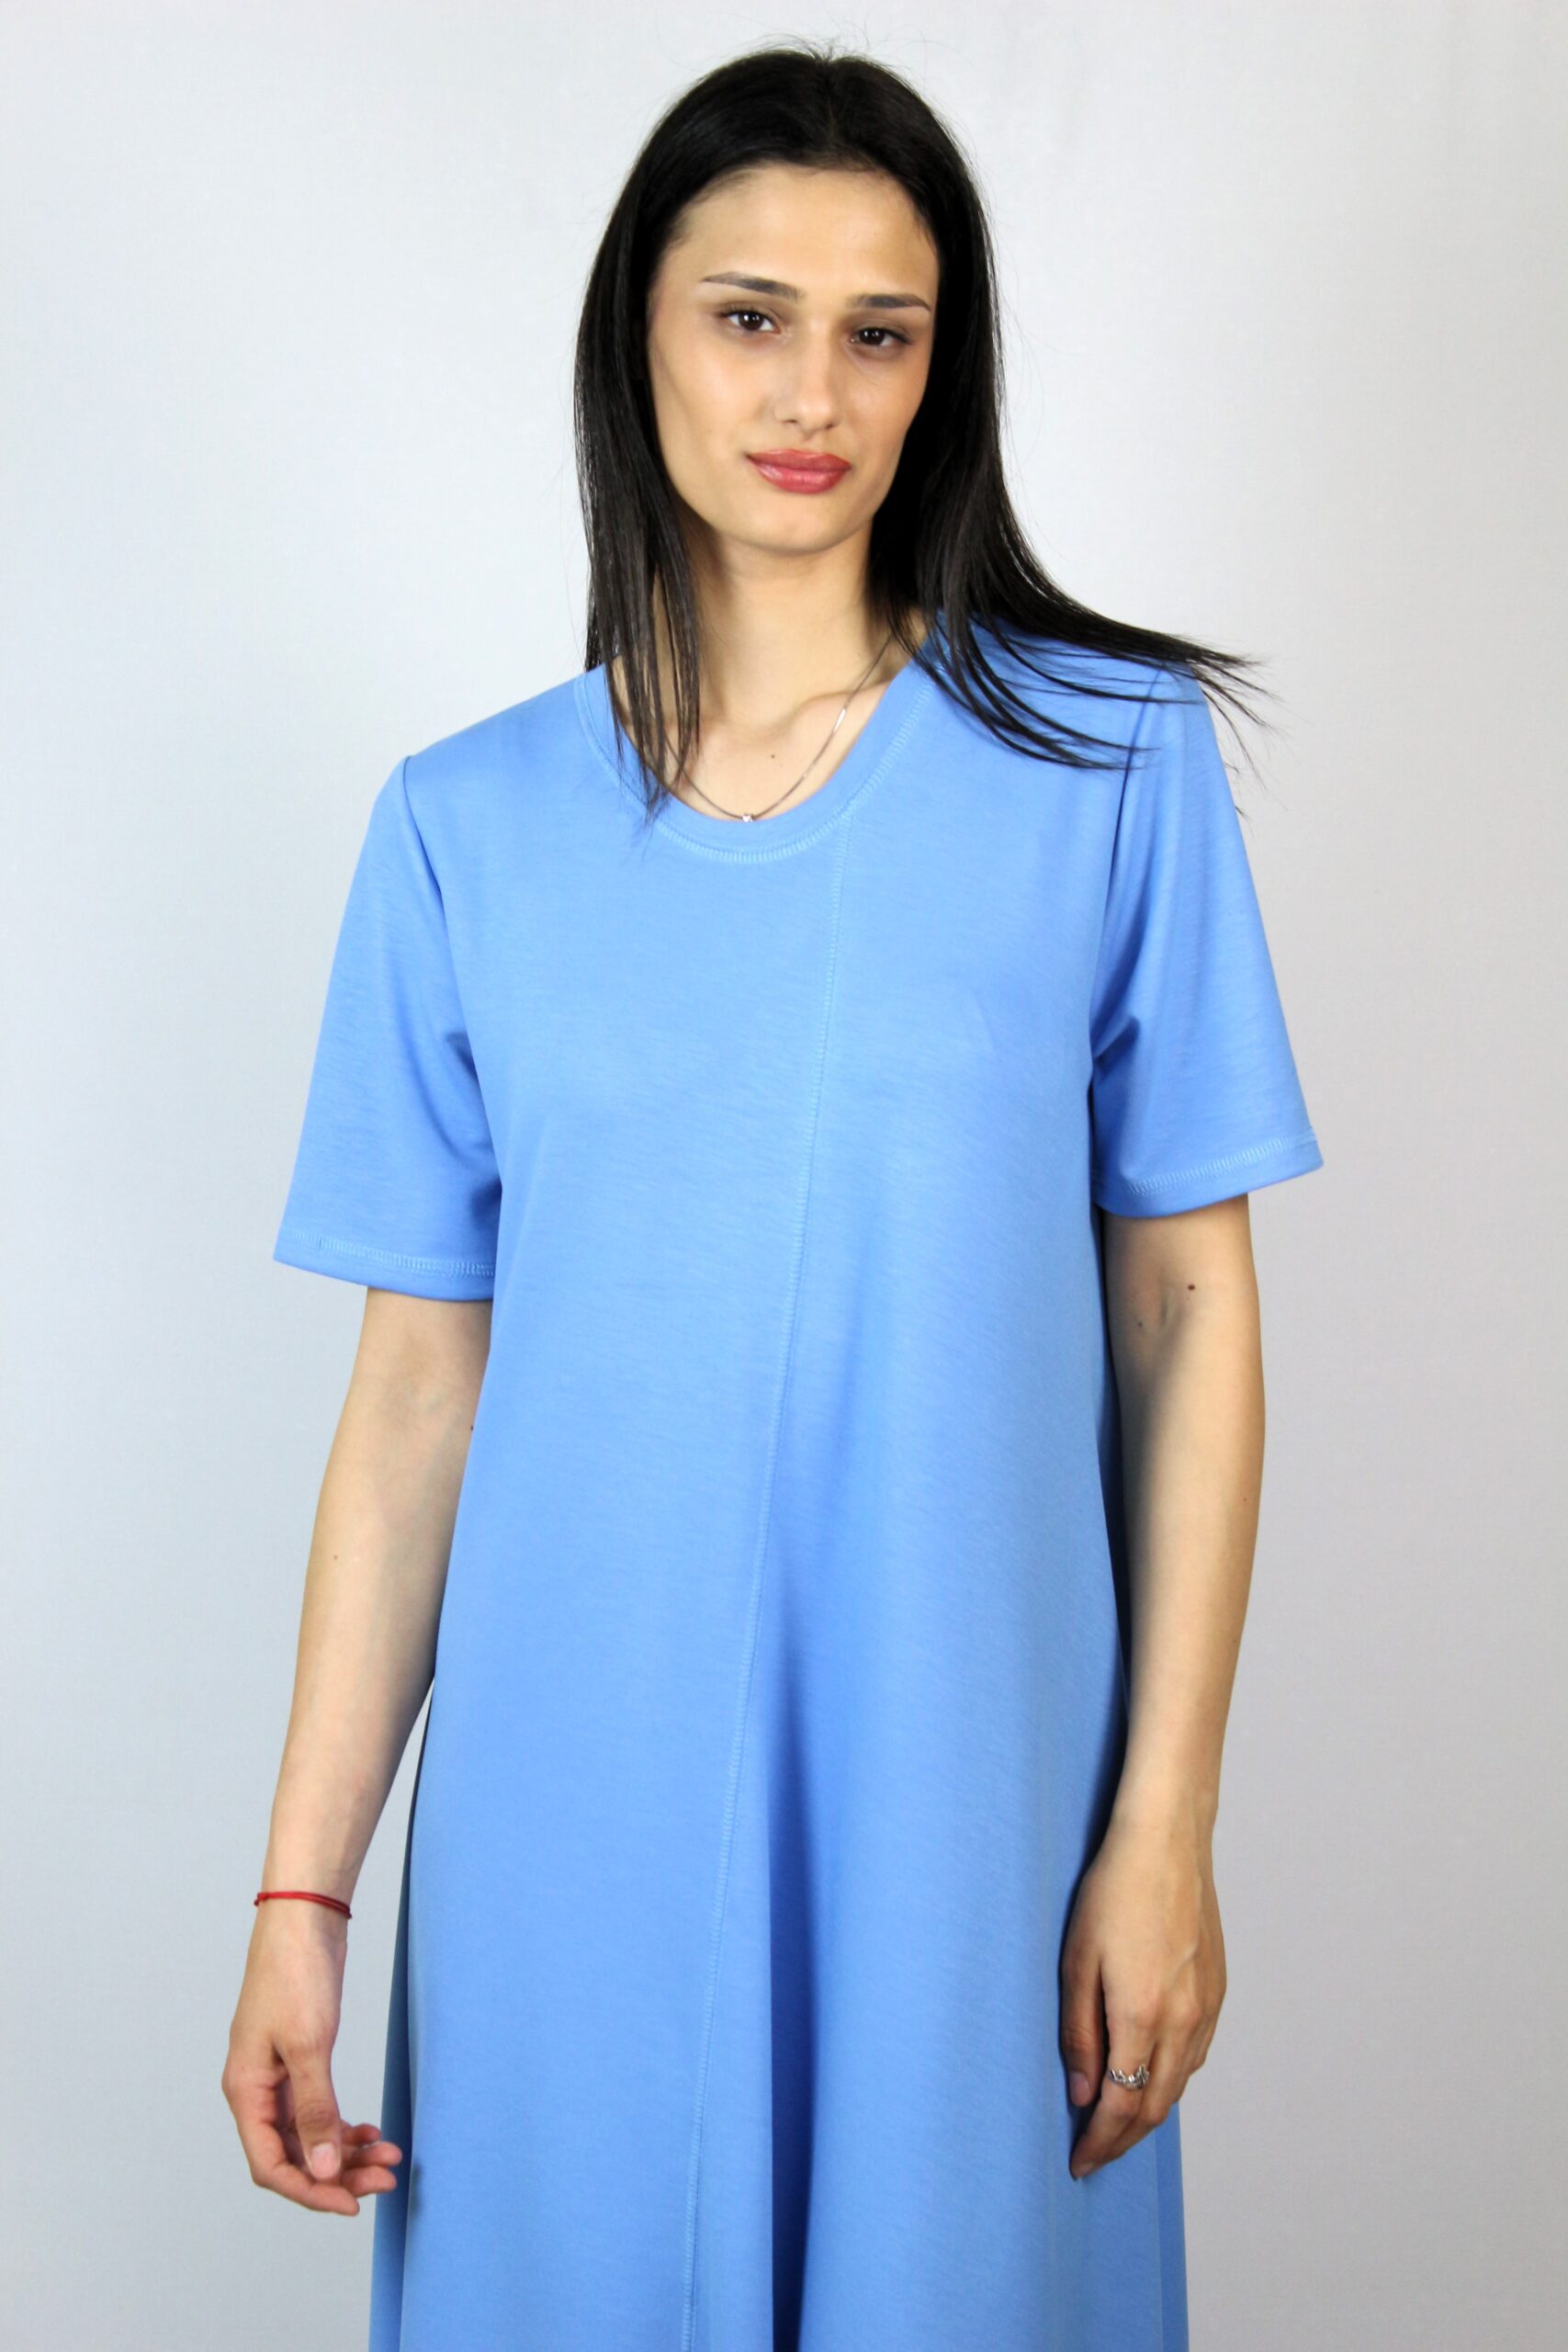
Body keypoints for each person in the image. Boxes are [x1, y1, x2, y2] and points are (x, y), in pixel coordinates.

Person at [223, 40, 1324, 2352]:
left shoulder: (1107, 770)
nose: (811, 392)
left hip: (964, 1802)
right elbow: (415, 1393)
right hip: (563, 1823)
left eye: (877, 331)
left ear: (940, 371)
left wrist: (1161, 1821)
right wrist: (301, 1891)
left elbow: (1185, 1319)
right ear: (636, 334)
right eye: (747, 316)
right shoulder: (462, 829)